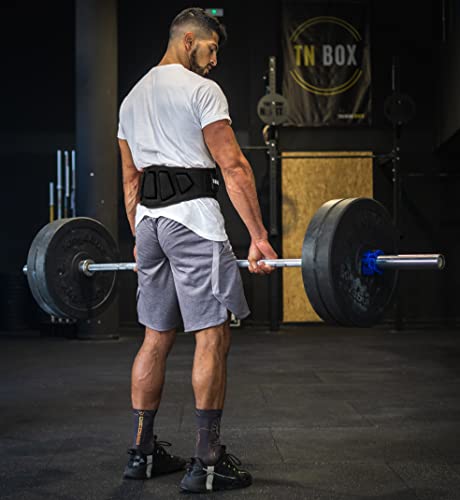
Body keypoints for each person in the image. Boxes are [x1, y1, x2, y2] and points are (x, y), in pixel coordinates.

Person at [117, 7, 277, 493]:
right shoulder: (202, 91)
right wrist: (258, 236)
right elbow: (233, 168)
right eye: (211, 49)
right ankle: (207, 461)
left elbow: (130, 179)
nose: (214, 61)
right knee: (211, 338)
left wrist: (141, 236)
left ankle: (142, 453)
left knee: (155, 337)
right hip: (193, 223)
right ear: (189, 40)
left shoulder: (131, 98)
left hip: (149, 225)